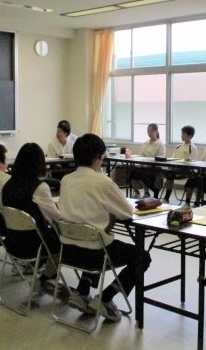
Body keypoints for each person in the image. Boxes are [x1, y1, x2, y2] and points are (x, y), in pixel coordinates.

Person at [57, 133, 151, 322]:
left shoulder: (66, 180)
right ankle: (105, 298)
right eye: (102, 157)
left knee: (92, 235)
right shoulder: (103, 182)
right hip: (95, 254)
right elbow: (127, 213)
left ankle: (82, 292)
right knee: (142, 257)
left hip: (67, 251)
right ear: (96, 158)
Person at [2, 143, 62, 292]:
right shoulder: (39, 187)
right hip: (34, 245)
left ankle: (39, 271)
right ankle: (45, 277)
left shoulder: (8, 184)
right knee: (63, 240)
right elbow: (56, 217)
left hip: (12, 242)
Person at [161, 125, 197, 203]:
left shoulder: (192, 147)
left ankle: (187, 201)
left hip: (186, 171)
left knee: (171, 174)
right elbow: (173, 158)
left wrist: (187, 160)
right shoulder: (178, 146)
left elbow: (193, 162)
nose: (181, 135)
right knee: (169, 174)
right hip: (175, 169)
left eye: (183, 134)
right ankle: (166, 198)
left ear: (190, 135)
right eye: (182, 133)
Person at [130, 123, 166, 199]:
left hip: (154, 167)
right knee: (133, 171)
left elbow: (160, 158)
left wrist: (149, 163)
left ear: (156, 131)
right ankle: (137, 193)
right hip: (144, 165)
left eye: (151, 131)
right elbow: (141, 156)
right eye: (148, 131)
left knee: (145, 173)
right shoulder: (145, 143)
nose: (149, 133)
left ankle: (147, 193)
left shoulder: (160, 144)